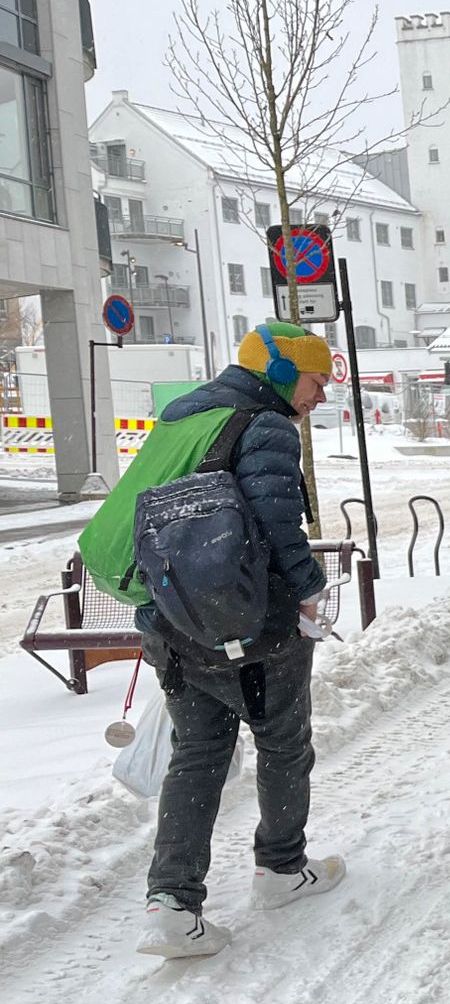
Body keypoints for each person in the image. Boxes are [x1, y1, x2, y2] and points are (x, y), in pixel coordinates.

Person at [93, 323, 348, 957]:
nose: (320, 396)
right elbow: (277, 526)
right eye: (317, 380)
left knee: (199, 752)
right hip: (250, 624)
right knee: (284, 743)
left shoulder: (184, 416)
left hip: (172, 619)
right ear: (284, 373)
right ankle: (283, 870)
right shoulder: (265, 427)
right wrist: (311, 590)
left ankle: (172, 904)